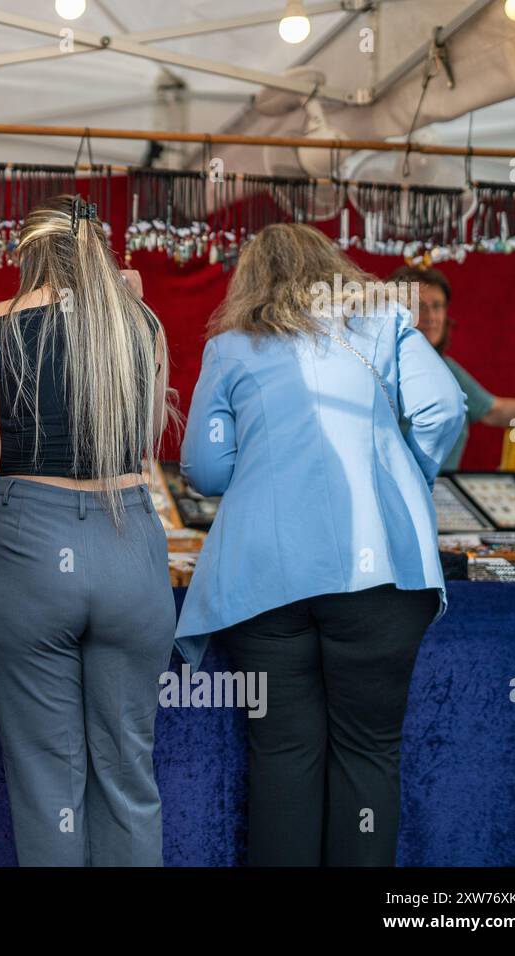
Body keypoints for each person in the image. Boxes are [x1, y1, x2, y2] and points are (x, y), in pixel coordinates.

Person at [177, 224, 466, 867]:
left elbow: (203, 468)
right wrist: (402, 474)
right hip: (382, 574)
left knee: (282, 755)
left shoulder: (230, 346)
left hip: (265, 577)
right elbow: (444, 407)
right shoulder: (385, 324)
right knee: (368, 753)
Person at [0, 194, 177, 866]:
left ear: (22, 253)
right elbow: (142, 439)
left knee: (47, 780)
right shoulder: (139, 326)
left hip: (30, 547)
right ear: (102, 250)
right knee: (128, 777)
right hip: (130, 542)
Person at [388, 265, 515, 473]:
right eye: (419, 306)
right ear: (396, 313)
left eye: (437, 306)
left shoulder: (446, 369)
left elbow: (494, 411)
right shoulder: (381, 369)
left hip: (441, 496)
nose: (431, 317)